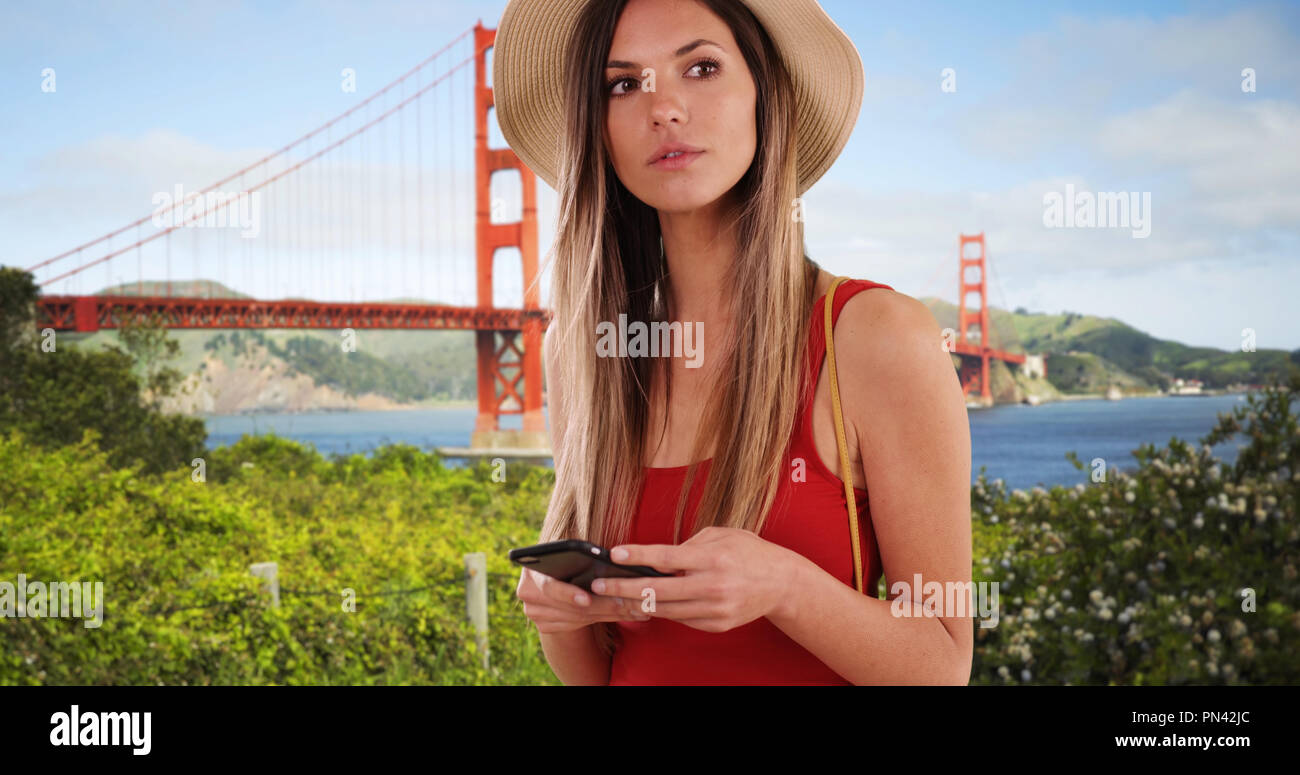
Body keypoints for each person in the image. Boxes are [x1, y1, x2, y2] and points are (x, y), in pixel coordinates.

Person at [495, 0, 973, 684]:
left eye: (700, 67)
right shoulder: (585, 356)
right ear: (597, 128)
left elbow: (943, 665)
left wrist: (785, 586)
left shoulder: (876, 336)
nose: (664, 108)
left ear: (764, 94)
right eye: (624, 84)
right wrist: (557, 614)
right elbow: (603, 673)